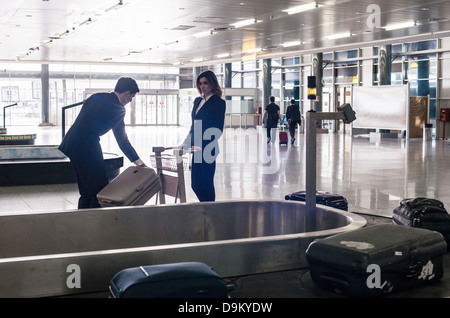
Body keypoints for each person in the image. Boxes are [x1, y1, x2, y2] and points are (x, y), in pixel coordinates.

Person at [59, 77, 146, 209]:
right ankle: (96, 221)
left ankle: (82, 218)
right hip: (87, 145)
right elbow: (122, 140)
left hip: (71, 143)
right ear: (127, 93)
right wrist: (139, 162)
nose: (130, 101)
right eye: (131, 97)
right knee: (99, 188)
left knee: (86, 188)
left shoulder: (96, 96)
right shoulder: (118, 108)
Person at [181, 70, 226, 202]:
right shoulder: (197, 101)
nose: (202, 86)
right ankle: (205, 206)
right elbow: (194, 126)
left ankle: (210, 210)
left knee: (205, 184)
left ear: (212, 83)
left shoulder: (218, 103)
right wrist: (186, 143)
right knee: (195, 184)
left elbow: (217, 129)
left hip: (208, 149)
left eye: (205, 83)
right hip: (196, 148)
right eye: (200, 84)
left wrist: (202, 144)